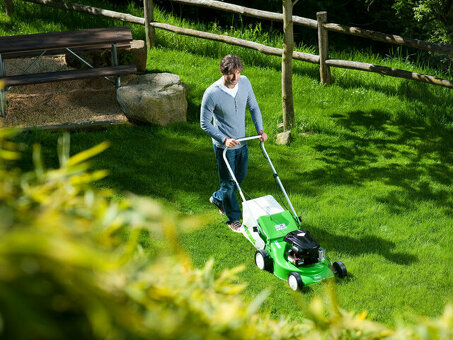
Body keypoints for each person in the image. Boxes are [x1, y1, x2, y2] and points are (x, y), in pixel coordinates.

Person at [200, 54, 268, 232]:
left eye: (237, 73)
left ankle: (217, 198)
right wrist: (223, 139)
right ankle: (233, 218)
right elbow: (204, 123)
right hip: (225, 147)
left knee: (240, 178)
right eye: (231, 74)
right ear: (223, 72)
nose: (235, 78)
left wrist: (260, 130)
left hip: (243, 142)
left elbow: (253, 106)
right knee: (230, 182)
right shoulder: (212, 93)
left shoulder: (244, 82)